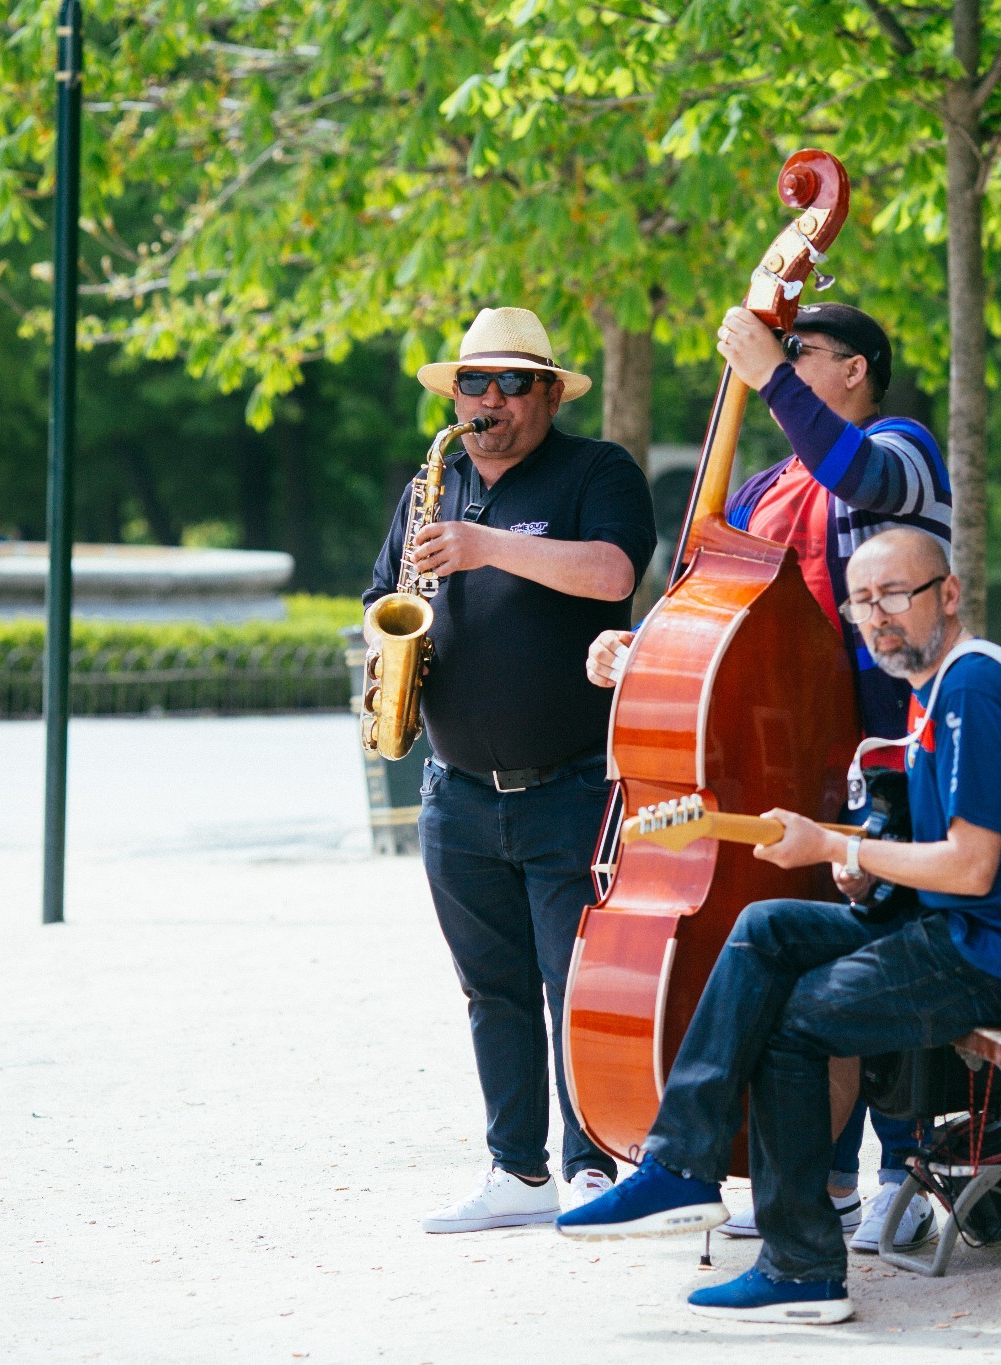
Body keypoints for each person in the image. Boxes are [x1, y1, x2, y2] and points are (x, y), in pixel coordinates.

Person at [557, 527, 1001, 1325]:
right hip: (963, 930)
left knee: (795, 1021)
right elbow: (942, 854)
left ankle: (803, 1267)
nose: (878, 617)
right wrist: (866, 859)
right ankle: (682, 1164)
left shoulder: (975, 689)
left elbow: (973, 867)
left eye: (896, 596)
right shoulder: (933, 686)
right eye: (862, 601)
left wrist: (838, 844)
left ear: (948, 594)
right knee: (767, 926)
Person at [584, 301, 949, 1249]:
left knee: (880, 966)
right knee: (807, 971)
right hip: (789, 762)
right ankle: (817, 1180)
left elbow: (855, 469)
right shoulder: (761, 488)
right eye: (780, 354)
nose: (781, 365)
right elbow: (706, 610)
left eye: (802, 355)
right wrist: (643, 648)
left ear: (856, 369)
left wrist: (767, 374)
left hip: (885, 759)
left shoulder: (901, 449)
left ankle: (906, 1175)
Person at [366, 307, 656, 1233]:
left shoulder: (594, 471)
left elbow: (613, 573)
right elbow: (383, 598)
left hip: (568, 784)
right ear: (453, 394)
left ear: (546, 392)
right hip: (455, 792)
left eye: (511, 383)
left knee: (576, 981)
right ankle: (515, 1170)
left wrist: (489, 547)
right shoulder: (435, 481)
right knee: (490, 990)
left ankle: (592, 1164)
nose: (489, 401)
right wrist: (390, 650)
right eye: (473, 383)